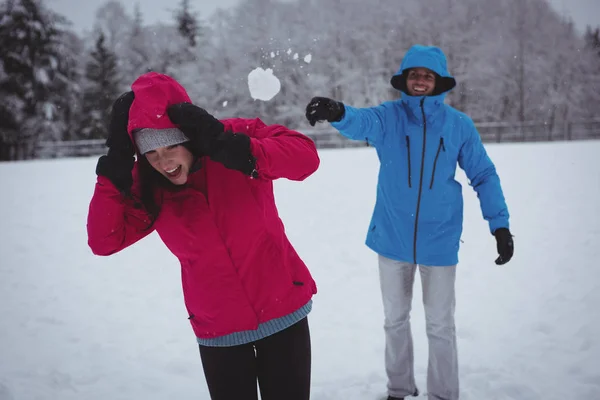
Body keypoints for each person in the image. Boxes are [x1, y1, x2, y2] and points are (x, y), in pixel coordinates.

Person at [87, 72, 320, 400]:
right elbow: (104, 240)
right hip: (219, 328)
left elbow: (306, 158)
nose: (164, 161)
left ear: (188, 137)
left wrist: (234, 148)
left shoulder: (232, 137)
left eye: (171, 146)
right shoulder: (148, 185)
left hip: (283, 308)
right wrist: (114, 169)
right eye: (151, 153)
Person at [305, 44, 514, 400]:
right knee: (395, 321)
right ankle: (398, 388)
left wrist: (500, 224)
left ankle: (444, 394)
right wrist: (338, 111)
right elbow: (361, 122)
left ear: (439, 82)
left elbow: (483, 174)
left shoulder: (458, 125)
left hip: (440, 238)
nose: (420, 80)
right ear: (405, 80)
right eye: (414, 74)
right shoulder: (389, 116)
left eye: (427, 75)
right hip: (391, 237)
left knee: (440, 326)